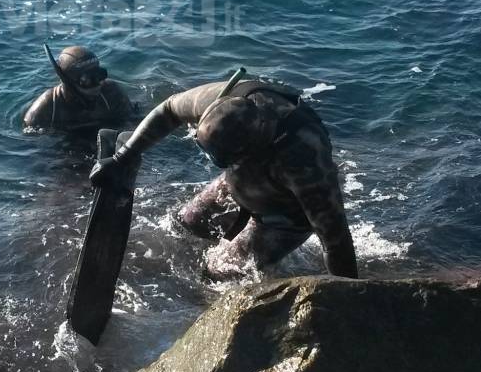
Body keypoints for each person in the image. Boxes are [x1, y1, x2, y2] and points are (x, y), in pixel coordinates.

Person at [90, 74, 358, 279]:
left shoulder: (303, 160)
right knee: (182, 227)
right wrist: (123, 157)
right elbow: (169, 109)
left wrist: (344, 300)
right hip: (238, 182)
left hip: (285, 213)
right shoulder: (222, 100)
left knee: (217, 273)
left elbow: (336, 240)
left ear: (249, 151)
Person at [23, 45, 136, 134]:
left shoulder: (111, 93)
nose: (98, 84)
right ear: (67, 81)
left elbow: (131, 125)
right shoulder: (45, 110)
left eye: (100, 75)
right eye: (87, 80)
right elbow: (35, 150)